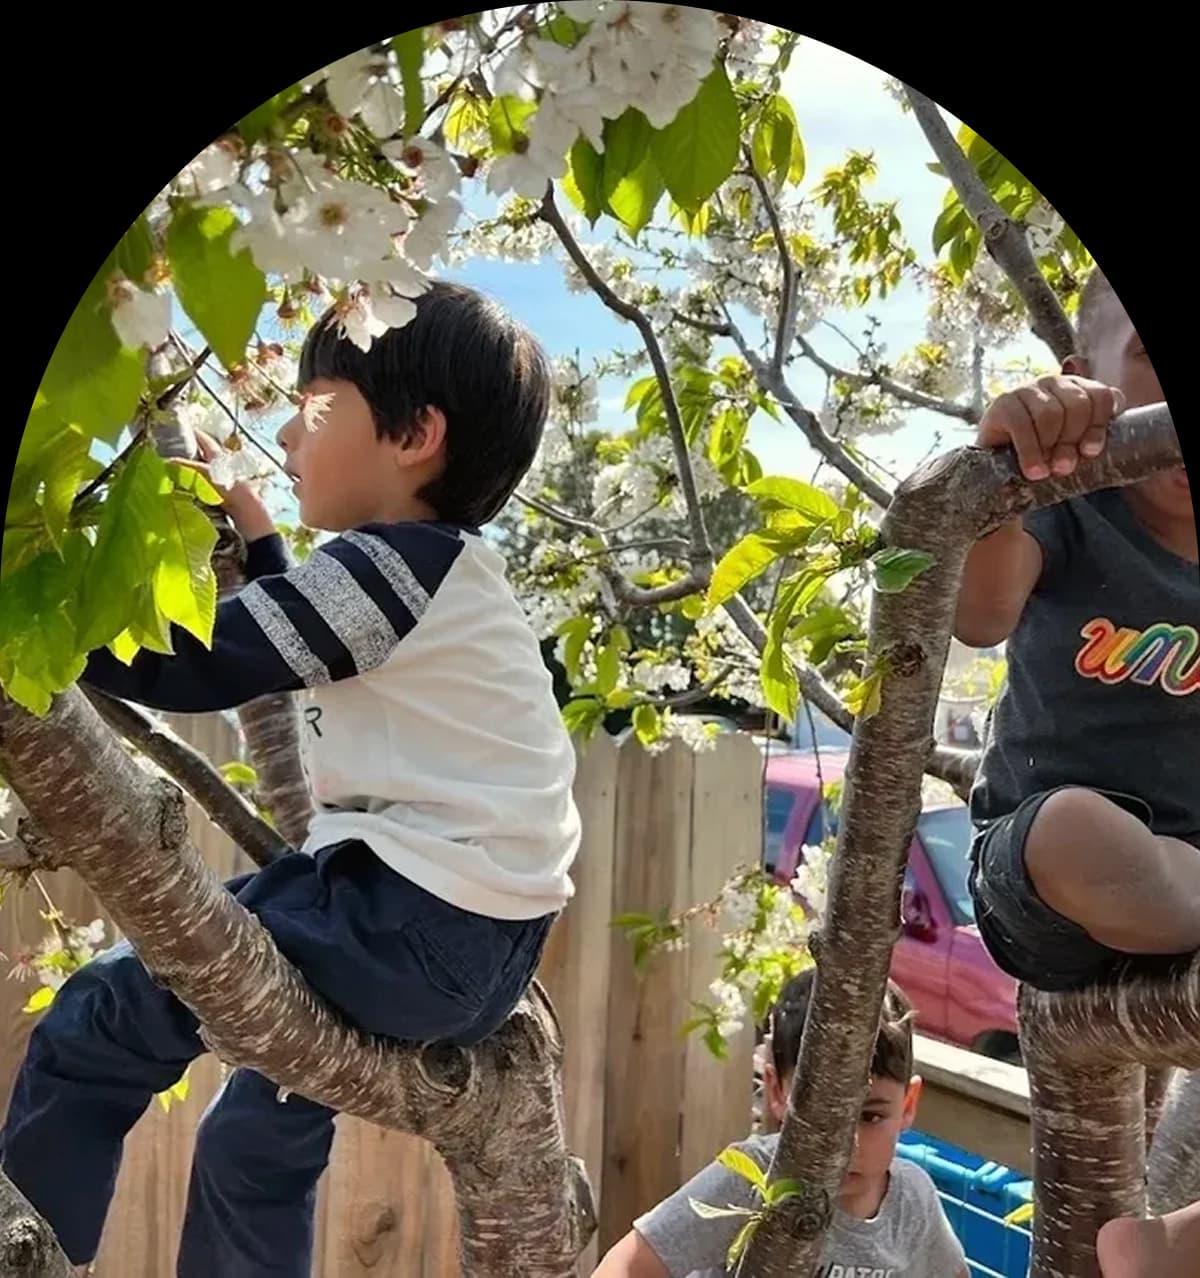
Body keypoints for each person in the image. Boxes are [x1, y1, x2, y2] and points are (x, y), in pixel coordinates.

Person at [0, 282, 582, 1278]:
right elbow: (299, 631)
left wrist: (36, 625)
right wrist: (261, 543)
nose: (283, 424)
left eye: (313, 404)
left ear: (413, 435)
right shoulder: (436, 574)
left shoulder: (396, 568)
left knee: (99, 1021)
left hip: (406, 919)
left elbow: (205, 661)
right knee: (254, 1137)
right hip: (476, 947)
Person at [957, 269, 1198, 1269]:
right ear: (1082, 381)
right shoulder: (1072, 508)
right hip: (1049, 877)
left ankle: (1175, 1242)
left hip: (1184, 876)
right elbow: (977, 612)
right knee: (1076, 830)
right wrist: (1009, 469)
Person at [593, 970, 968, 1277]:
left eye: (871, 1117)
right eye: (820, 1118)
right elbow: (626, 1267)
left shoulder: (911, 1201)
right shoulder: (751, 1176)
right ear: (776, 1090)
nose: (845, 1144)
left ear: (908, 1104)